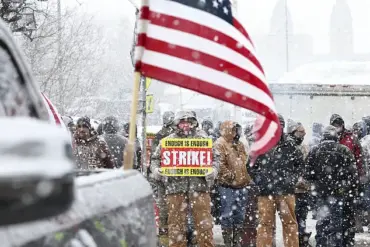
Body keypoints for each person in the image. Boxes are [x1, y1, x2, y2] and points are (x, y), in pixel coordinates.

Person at [151, 111, 219, 247]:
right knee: (175, 226)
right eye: (182, 122)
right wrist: (156, 170)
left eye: (188, 121)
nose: (186, 125)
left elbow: (216, 158)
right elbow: (155, 159)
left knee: (204, 224)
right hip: (175, 188)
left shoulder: (203, 139)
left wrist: (214, 170)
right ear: (177, 123)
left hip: (199, 187)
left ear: (193, 123)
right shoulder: (168, 141)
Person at [252, 114, 304, 247]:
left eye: (281, 125)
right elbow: (251, 165)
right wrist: (260, 180)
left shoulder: (291, 145)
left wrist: (291, 180)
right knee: (265, 224)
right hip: (266, 192)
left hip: (286, 192)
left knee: (290, 224)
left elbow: (300, 165)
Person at [305, 125, 359, 246]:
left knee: (322, 223)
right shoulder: (344, 150)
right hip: (338, 193)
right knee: (336, 224)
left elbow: (307, 174)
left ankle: (321, 243)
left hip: (320, 193)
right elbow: (353, 174)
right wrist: (349, 189)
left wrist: (316, 184)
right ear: (336, 136)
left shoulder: (315, 150)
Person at [215, 121, 251, 247]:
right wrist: (230, 176)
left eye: (237, 130)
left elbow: (244, 162)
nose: (236, 133)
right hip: (227, 187)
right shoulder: (220, 143)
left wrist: (245, 177)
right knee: (227, 214)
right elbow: (219, 163)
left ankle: (236, 242)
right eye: (234, 130)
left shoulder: (239, 144)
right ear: (227, 130)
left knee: (240, 215)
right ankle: (228, 242)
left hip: (241, 185)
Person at [150, 111, 175, 247]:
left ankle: (166, 238)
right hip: (172, 177)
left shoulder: (161, 134)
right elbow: (156, 156)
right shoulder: (164, 135)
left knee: (165, 208)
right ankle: (171, 236)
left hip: (167, 177)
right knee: (171, 208)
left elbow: (155, 156)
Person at [287, 120, 311, 246]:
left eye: (304, 132)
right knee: (292, 217)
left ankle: (301, 238)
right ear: (293, 132)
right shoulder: (286, 147)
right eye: (301, 132)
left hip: (303, 190)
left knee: (302, 215)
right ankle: (295, 240)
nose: (303, 134)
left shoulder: (305, 147)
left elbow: (308, 167)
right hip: (291, 190)